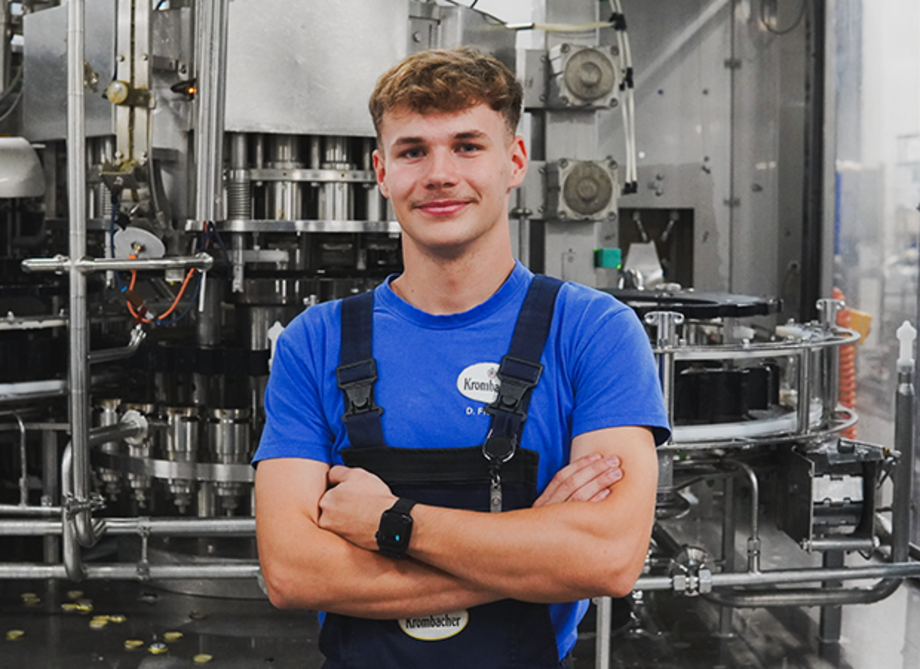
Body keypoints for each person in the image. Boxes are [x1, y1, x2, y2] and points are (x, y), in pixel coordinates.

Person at [252, 46, 670, 669]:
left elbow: (608, 560)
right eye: (413, 150)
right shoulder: (315, 342)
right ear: (381, 171)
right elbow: (291, 572)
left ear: (515, 161)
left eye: (468, 146)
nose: (440, 173)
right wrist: (534, 550)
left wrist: (391, 523)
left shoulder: (594, 331)